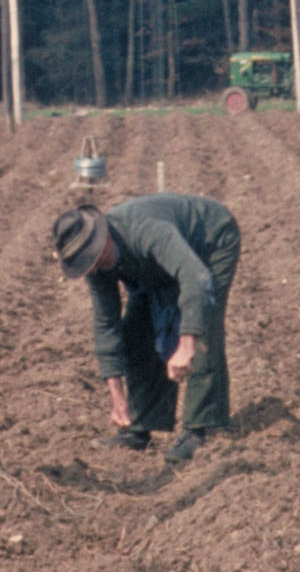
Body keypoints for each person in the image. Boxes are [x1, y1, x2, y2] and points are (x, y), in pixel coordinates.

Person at [51, 193, 240, 463]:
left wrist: (186, 343)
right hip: (157, 269)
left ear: (103, 237)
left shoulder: (145, 231)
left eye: (93, 258)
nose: (92, 268)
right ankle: (140, 428)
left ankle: (199, 430)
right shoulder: (96, 267)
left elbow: (195, 277)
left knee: (202, 325)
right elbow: (106, 323)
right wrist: (117, 397)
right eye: (85, 264)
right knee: (137, 333)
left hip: (211, 242)